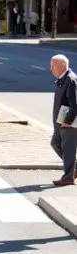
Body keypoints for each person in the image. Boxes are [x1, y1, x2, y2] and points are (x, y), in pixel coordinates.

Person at [49, 54, 77, 186]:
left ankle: (68, 177)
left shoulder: (70, 79)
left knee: (68, 149)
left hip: (68, 124)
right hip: (60, 122)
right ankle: (73, 169)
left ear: (62, 66)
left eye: (52, 66)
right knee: (55, 143)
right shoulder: (63, 79)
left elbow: (75, 103)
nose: (51, 69)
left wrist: (68, 120)